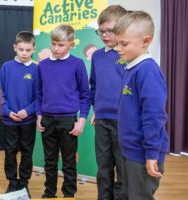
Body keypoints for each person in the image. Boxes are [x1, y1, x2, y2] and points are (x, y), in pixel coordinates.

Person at [114, 11, 169, 199]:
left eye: (124, 44)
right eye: (117, 42)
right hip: (130, 150)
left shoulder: (148, 71)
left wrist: (151, 153)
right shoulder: (131, 67)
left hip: (144, 153)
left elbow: (154, 116)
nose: (118, 48)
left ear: (146, 41)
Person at [35, 24, 91, 198]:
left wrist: (82, 119)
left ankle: (68, 194)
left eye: (61, 45)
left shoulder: (78, 64)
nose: (56, 48)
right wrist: (38, 115)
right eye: (53, 44)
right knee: (49, 161)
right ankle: (49, 193)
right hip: (47, 120)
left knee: (68, 162)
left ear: (71, 45)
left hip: (68, 120)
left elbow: (85, 95)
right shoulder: (42, 65)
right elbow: (38, 93)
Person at [89, 5, 128, 200]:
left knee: (123, 168)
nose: (104, 35)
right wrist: (96, 108)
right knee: (103, 168)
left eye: (109, 31)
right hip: (102, 120)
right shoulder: (97, 56)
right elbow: (94, 85)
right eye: (101, 31)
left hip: (123, 121)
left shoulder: (127, 55)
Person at [0, 31, 37, 197]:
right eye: (21, 49)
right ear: (15, 47)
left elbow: (40, 96)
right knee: (10, 151)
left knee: (27, 152)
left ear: (34, 49)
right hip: (10, 120)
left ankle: (23, 183)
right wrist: (7, 111)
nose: (24, 53)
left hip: (29, 121)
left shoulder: (37, 69)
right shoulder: (6, 67)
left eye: (28, 50)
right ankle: (12, 182)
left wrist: (27, 111)